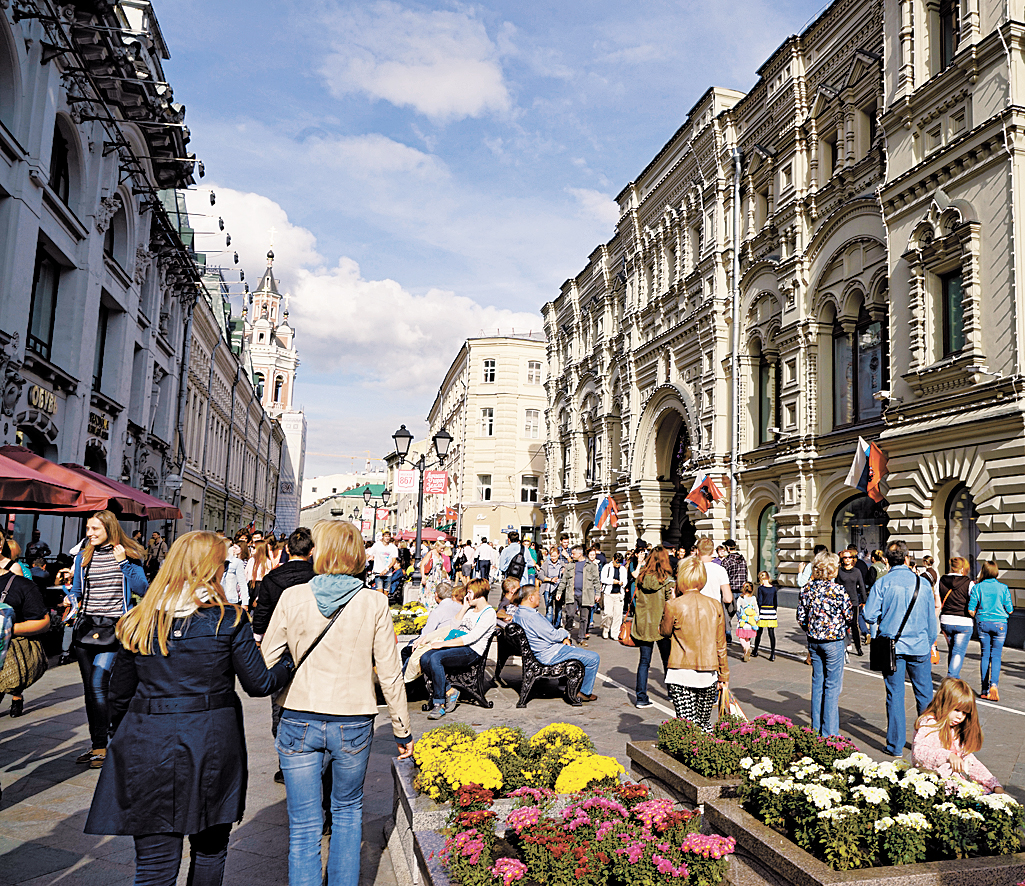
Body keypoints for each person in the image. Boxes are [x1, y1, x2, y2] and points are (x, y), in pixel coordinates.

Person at [84, 531, 294, 886]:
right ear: (212, 568)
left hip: (146, 740)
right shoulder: (227, 619)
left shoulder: (140, 619)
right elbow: (258, 684)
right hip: (211, 739)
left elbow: (118, 696)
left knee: (154, 863)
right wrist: (288, 663)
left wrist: (127, 738)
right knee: (210, 849)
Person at [261, 520, 413, 886]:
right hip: (353, 719)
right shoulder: (374, 601)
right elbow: (390, 673)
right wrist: (401, 730)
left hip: (298, 716)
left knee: (304, 826)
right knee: (348, 814)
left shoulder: (293, 597)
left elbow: (266, 661)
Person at [67, 511, 148, 768]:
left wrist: (123, 562)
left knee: (99, 681)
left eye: (94, 529)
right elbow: (78, 592)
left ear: (109, 529)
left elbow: (142, 588)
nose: (89, 534)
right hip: (86, 628)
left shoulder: (128, 553)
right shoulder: (84, 555)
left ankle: (111, 742)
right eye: (88, 529)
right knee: (91, 691)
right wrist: (69, 594)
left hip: (114, 629)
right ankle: (98, 745)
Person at [864, 539, 939, 756]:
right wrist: (930, 642)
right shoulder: (923, 583)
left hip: (892, 647)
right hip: (920, 645)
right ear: (907, 559)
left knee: (894, 694)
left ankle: (895, 745)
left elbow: (869, 614)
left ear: (887, 560)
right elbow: (930, 619)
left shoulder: (883, 583)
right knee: (925, 694)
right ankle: (927, 745)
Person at [660, 556, 728, 731]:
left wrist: (672, 599)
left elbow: (664, 632)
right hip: (708, 672)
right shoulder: (715, 605)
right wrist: (724, 675)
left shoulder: (673, 605)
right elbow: (721, 644)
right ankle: (704, 754)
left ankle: (683, 755)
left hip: (680, 670)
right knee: (704, 724)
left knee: (686, 726)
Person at [420, 577, 496, 719]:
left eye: (470, 592)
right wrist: (464, 607)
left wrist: (442, 644)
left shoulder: (488, 613)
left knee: (436, 658)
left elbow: (471, 638)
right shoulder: (470, 610)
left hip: (472, 650)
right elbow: (454, 627)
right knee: (425, 657)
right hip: (459, 646)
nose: (467, 596)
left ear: (479, 592)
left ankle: (439, 704)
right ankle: (450, 691)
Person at [912, 677, 1003, 792]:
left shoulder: (954, 728)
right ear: (943, 703)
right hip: (930, 785)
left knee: (987, 794)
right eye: (957, 710)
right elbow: (919, 753)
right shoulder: (930, 723)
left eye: (965, 712)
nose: (960, 716)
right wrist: (948, 756)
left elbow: (968, 759)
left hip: (950, 783)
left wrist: (993, 783)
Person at [513, 584, 599, 703]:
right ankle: (583, 692)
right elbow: (552, 635)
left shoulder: (519, 614)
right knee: (593, 658)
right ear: (531, 598)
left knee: (571, 646)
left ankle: (566, 684)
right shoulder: (531, 617)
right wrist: (564, 633)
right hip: (550, 653)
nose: (539, 598)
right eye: (538, 595)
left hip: (543, 650)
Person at [797, 552, 852, 738]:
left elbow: (801, 617)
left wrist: (811, 629)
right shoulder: (838, 590)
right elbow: (849, 615)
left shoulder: (806, 589)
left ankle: (815, 729)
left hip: (814, 641)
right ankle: (829, 733)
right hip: (833, 641)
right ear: (832, 570)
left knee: (817, 683)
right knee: (832, 686)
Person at [0, 539, 50, 719]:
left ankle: (16, 697)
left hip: (10, 628)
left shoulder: (16, 573)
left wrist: (9, 627)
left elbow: (40, 618)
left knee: (15, 671)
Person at [632, 545, 675, 709]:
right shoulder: (667, 580)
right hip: (661, 625)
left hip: (644, 624)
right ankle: (672, 692)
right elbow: (670, 604)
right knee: (667, 660)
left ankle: (641, 697)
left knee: (644, 662)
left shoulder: (641, 577)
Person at [969, 560, 1013, 702]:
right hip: (1000, 624)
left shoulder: (977, 587)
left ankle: (983, 689)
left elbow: (971, 609)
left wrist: (979, 616)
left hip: (983, 623)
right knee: (996, 655)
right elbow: (1010, 609)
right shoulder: (1003, 588)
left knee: (985, 655)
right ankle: (994, 685)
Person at [555, 545, 599, 646]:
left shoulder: (591, 566)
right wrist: (559, 592)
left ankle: (582, 637)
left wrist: (597, 594)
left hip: (586, 595)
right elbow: (564, 580)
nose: (571, 555)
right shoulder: (570, 565)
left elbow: (596, 581)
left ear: (580, 554)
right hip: (572, 594)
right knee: (570, 615)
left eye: (573, 553)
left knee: (584, 618)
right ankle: (567, 635)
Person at [938, 557, 974, 679]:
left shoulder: (942, 580)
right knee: (958, 652)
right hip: (963, 621)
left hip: (946, 621)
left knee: (952, 651)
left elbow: (937, 601)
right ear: (963, 568)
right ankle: (951, 678)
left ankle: (952, 677)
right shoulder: (968, 583)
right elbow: (973, 602)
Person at [837, 548, 867, 656]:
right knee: (842, 625)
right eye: (845, 557)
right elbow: (836, 586)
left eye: (850, 557)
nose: (848, 559)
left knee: (854, 625)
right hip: (842, 602)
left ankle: (858, 648)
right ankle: (844, 645)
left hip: (854, 601)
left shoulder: (856, 571)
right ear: (842, 559)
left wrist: (864, 601)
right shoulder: (839, 571)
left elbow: (862, 586)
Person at [719, 539, 747, 644]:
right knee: (742, 614)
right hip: (741, 590)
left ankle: (728, 636)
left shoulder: (726, 561)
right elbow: (746, 574)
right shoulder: (742, 559)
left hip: (729, 591)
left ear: (727, 548)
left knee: (726, 613)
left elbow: (722, 576)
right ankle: (746, 637)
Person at [600, 553, 628, 640]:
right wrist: (613, 581)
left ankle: (614, 632)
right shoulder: (607, 567)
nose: (618, 565)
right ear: (613, 559)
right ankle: (606, 628)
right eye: (617, 562)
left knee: (618, 615)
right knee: (608, 614)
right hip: (609, 593)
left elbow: (625, 580)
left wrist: (622, 583)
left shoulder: (622, 569)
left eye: (620, 563)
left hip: (619, 594)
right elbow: (603, 579)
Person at [752, 570, 778, 661]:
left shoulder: (760, 588)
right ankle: (773, 654)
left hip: (763, 611)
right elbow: (775, 602)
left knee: (759, 633)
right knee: (771, 634)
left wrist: (757, 612)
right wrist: (774, 611)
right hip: (771, 611)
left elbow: (760, 601)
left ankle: (755, 650)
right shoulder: (773, 588)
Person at [419, 541, 451, 609]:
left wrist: (447, 576)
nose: (442, 550)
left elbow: (442, 567)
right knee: (428, 593)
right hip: (430, 577)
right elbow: (422, 564)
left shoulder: (440, 555)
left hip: (437, 578)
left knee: (435, 593)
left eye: (443, 548)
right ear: (436, 546)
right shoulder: (430, 553)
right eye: (441, 548)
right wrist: (423, 577)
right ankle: (427, 608)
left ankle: (433, 608)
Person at [368, 530, 400, 595]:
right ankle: (379, 605)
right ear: (382, 537)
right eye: (385, 536)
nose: (387, 538)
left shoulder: (393, 547)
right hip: (378, 572)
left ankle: (384, 604)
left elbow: (393, 560)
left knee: (385, 593)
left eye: (388, 536)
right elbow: (368, 554)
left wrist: (387, 569)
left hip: (388, 573)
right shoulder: (377, 545)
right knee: (379, 593)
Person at [540, 546, 565, 626]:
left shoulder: (562, 564)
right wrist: (550, 579)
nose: (553, 558)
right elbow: (540, 575)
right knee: (549, 610)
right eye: (551, 556)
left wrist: (564, 571)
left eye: (555, 556)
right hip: (548, 589)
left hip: (559, 589)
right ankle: (549, 627)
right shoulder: (546, 564)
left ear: (558, 555)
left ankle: (557, 626)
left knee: (559, 609)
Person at [735, 582, 759, 662]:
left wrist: (739, 617)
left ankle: (745, 648)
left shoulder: (740, 598)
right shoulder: (753, 598)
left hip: (743, 621)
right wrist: (757, 618)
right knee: (747, 638)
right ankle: (747, 652)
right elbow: (756, 609)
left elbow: (737, 609)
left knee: (741, 637)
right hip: (751, 622)